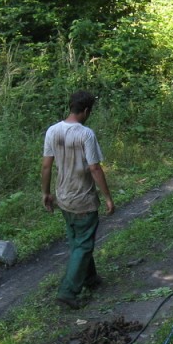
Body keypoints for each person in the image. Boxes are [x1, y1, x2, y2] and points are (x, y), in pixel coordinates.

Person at [41, 90, 115, 310]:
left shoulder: (53, 131)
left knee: (78, 240)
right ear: (85, 111)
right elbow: (94, 168)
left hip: (63, 196)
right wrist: (108, 197)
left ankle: (90, 278)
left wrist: (45, 193)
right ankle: (67, 291)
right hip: (83, 198)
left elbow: (46, 165)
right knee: (83, 244)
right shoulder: (86, 134)